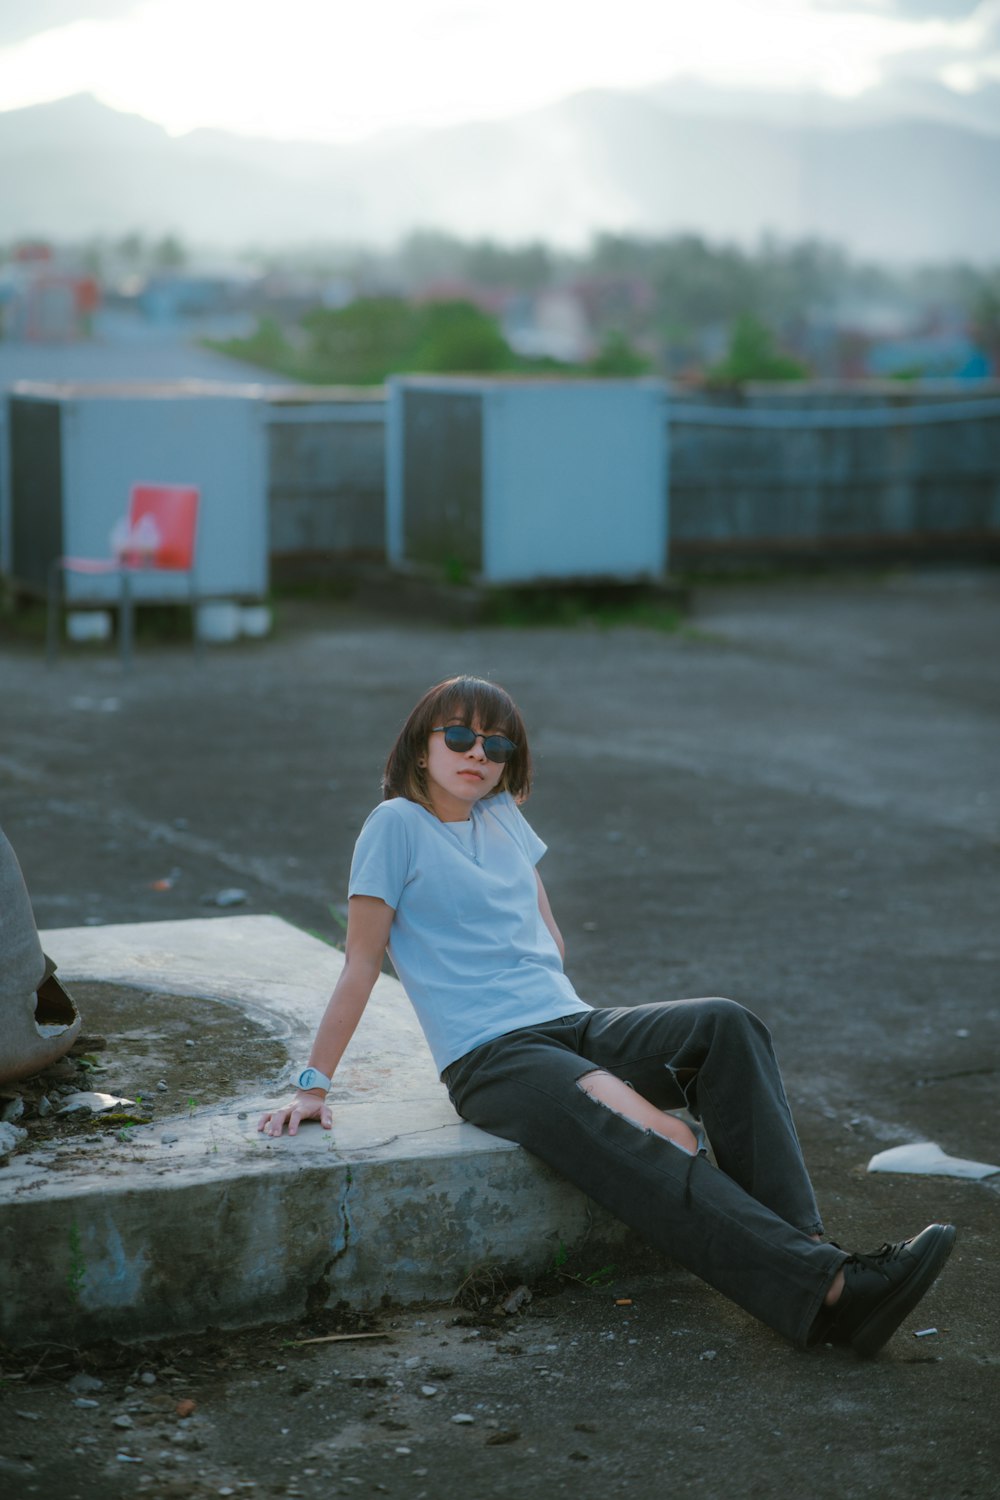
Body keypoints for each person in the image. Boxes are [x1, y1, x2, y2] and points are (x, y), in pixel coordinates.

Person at [258, 675, 955, 1356]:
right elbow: (360, 961)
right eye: (462, 735)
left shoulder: (502, 816)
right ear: (420, 747)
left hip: (568, 1022)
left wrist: (568, 1027)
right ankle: (832, 1293)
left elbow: (546, 935)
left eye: (497, 747)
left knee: (723, 1026)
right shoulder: (394, 826)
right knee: (645, 1134)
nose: (478, 755)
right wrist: (313, 1084)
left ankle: (805, 1251)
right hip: (492, 1057)